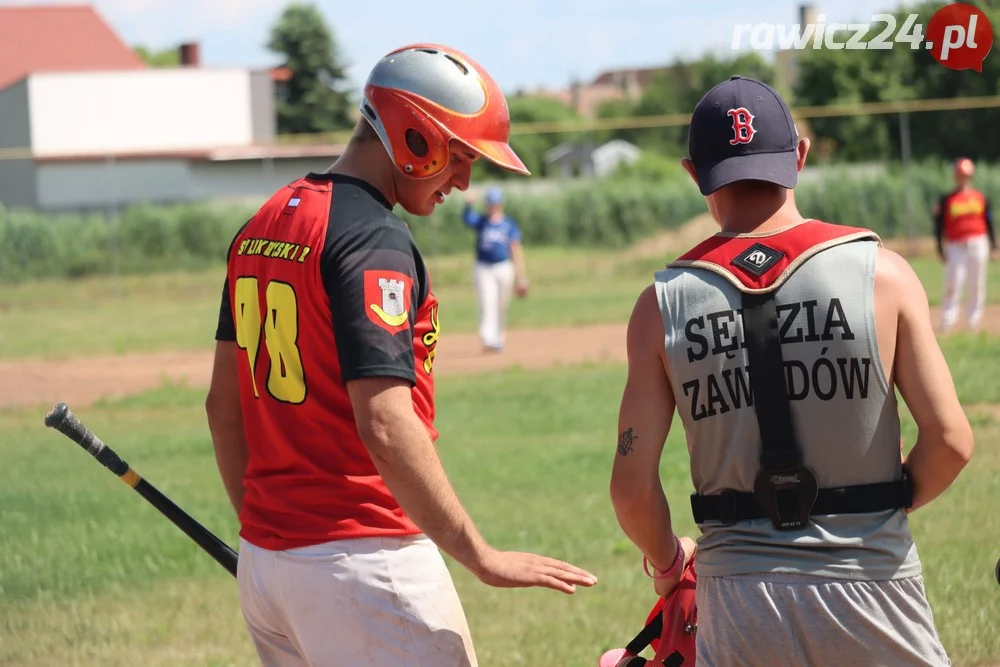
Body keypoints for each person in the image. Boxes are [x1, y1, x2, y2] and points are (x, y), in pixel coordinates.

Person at [205, 43, 597, 667]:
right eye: (462, 157)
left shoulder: (264, 222)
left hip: (270, 565)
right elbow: (386, 423)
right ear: (417, 137)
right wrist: (482, 556)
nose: (465, 181)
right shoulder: (372, 238)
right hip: (365, 563)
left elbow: (222, 408)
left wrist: (270, 537)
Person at [609, 75, 973, 666]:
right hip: (873, 580)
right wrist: (875, 507)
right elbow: (953, 441)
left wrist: (672, 566)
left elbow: (630, 488)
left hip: (738, 599)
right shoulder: (883, 274)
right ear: (799, 155)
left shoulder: (662, 303)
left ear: (693, 172)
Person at [933, 157, 997, 333]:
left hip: (978, 243)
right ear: (955, 176)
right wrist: (940, 247)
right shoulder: (947, 200)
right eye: (960, 175)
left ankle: (973, 320)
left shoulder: (980, 197)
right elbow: (939, 226)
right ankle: (948, 319)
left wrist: (994, 246)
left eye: (966, 175)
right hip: (956, 245)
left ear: (971, 176)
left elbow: (989, 222)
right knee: (953, 282)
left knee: (977, 283)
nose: (963, 178)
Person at [462, 186, 529, 352]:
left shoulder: (508, 224)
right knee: (487, 301)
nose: (492, 207)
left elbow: (515, 249)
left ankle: (498, 339)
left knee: (501, 304)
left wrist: (521, 276)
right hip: (484, 267)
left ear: (501, 204)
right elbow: (467, 219)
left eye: (495, 204)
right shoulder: (482, 222)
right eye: (490, 204)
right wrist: (469, 204)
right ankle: (488, 339)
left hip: (504, 267)